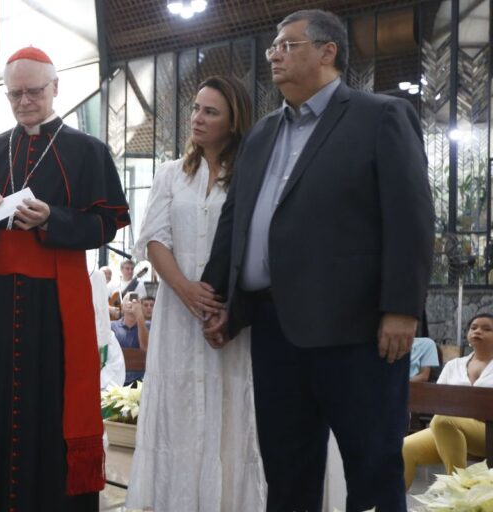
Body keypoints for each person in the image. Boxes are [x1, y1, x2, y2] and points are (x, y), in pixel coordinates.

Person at [201, 9, 434, 512]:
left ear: (328, 52)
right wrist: (220, 298)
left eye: (288, 46)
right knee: (286, 470)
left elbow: (411, 217)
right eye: (272, 49)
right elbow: (236, 220)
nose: (275, 57)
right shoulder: (262, 132)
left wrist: (402, 308)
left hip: (357, 330)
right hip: (273, 326)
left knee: (371, 469)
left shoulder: (380, 116)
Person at [0, 46, 129, 511]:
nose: (24, 101)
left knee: (51, 412)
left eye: (34, 91)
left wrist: (52, 220)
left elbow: (103, 227)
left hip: (55, 306)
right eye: (15, 94)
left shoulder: (88, 152)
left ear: (55, 89)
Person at [127, 75, 265, 511]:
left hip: (229, 312)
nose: (197, 119)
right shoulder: (171, 173)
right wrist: (185, 289)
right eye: (195, 109)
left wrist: (218, 301)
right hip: (176, 312)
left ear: (234, 120)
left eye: (211, 112)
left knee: (233, 407)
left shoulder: (250, 174)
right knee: (180, 409)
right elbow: (154, 239)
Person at [403, 313, 493, 487]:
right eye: (474, 328)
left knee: (444, 420)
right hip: (447, 426)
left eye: (487, 329)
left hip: (488, 430)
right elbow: (438, 400)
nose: (478, 331)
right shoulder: (454, 365)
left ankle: (459, 491)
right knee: (405, 447)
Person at [110, 294, 148, 385]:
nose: (132, 302)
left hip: (141, 379)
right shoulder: (111, 326)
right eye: (128, 299)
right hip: (116, 379)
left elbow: (146, 348)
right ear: (122, 306)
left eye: (136, 300)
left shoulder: (148, 326)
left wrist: (139, 316)